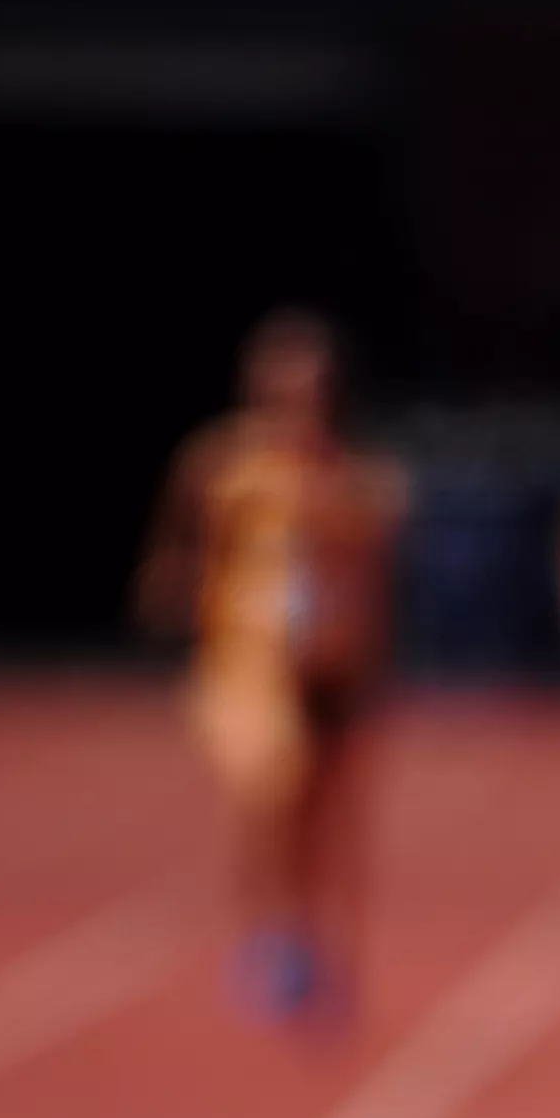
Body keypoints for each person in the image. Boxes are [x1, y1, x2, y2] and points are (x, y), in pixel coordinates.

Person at [136, 310, 406, 1019]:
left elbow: (378, 577)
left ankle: (312, 933)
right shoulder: (219, 465)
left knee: (323, 819)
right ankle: (269, 933)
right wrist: (180, 595)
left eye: (313, 388)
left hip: (333, 670)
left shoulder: (358, 480)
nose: (299, 402)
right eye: (285, 388)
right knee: (267, 783)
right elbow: (177, 546)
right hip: (247, 665)